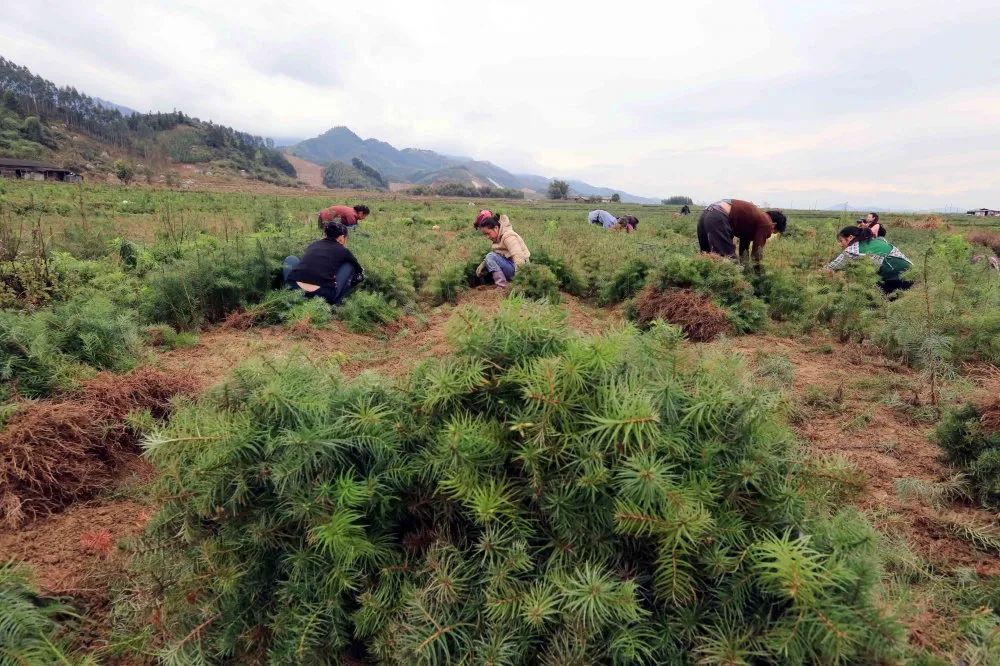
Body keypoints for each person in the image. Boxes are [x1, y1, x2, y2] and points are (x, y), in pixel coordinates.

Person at [282, 219, 365, 305]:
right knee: (349, 265)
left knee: (291, 259)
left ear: (325, 234)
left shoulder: (313, 245)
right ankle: (337, 303)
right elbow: (358, 269)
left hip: (294, 287)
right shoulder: (343, 250)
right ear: (342, 237)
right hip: (322, 293)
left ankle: (285, 290)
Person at [825, 225, 912, 294]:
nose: (840, 244)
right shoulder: (879, 241)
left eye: (841, 241)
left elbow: (832, 267)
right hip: (912, 274)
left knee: (870, 298)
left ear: (850, 237)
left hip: (894, 279)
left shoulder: (851, 250)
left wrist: (816, 272)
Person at [696, 199, 787, 262]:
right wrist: (760, 276)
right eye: (774, 232)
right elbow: (757, 254)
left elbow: (744, 249)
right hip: (718, 216)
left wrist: (745, 265)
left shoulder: (754, 219)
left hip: (707, 212)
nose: (770, 234)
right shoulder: (767, 223)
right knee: (729, 261)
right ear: (774, 225)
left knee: (706, 255)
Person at [473, 210, 530, 289]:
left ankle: (502, 286)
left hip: (522, 269)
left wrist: (519, 281)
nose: (487, 237)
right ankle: (498, 282)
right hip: (512, 265)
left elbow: (519, 258)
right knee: (490, 257)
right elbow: (498, 254)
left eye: (488, 233)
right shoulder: (499, 236)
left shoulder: (508, 237)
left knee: (490, 256)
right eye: (485, 234)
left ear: (496, 228)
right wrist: (483, 264)